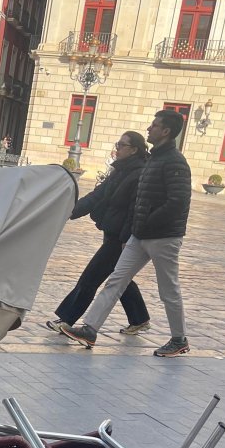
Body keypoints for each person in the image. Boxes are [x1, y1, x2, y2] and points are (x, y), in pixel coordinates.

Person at [62, 110, 193, 357]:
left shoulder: (175, 161)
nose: (149, 129)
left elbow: (178, 201)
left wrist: (149, 222)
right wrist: (133, 230)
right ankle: (90, 329)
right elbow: (138, 201)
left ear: (166, 131)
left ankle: (179, 339)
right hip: (139, 235)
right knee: (116, 280)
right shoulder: (154, 159)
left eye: (154, 125)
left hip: (164, 237)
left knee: (168, 290)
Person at [47, 132, 151, 336]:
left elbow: (135, 210)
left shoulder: (139, 174)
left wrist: (125, 239)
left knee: (91, 277)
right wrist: (68, 211)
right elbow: (97, 196)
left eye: (121, 145)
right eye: (117, 143)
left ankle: (67, 319)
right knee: (119, 277)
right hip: (112, 233)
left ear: (133, 150)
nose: (117, 148)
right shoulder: (120, 170)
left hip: (120, 238)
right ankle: (139, 319)